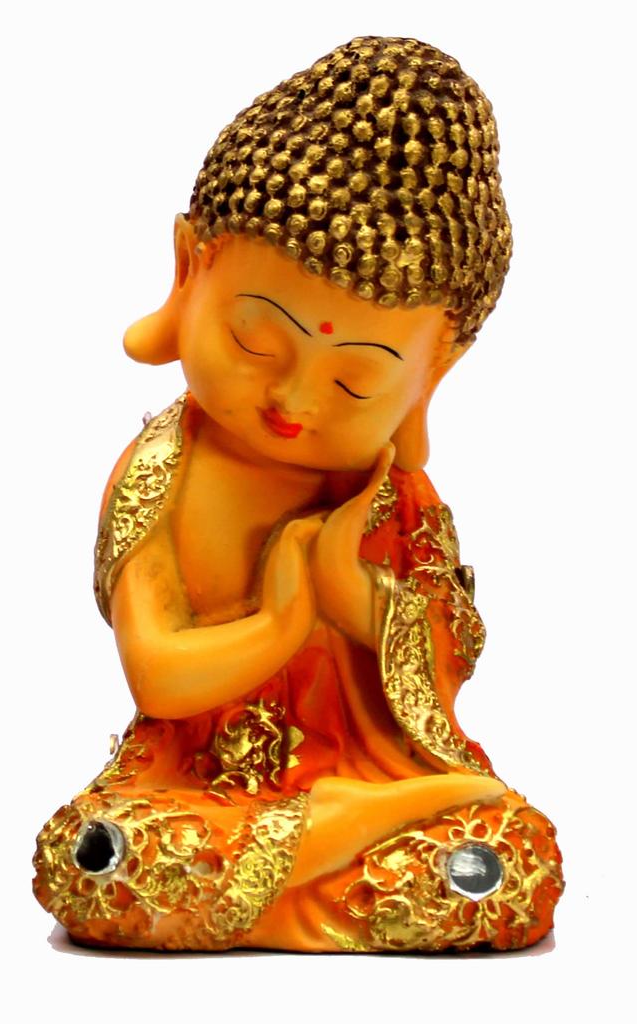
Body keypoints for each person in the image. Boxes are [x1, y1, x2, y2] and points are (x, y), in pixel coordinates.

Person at [33, 36, 563, 952]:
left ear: (433, 372)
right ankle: (335, 843)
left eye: (356, 381)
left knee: (501, 866)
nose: (293, 399)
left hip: (368, 769)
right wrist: (282, 619)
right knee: (97, 858)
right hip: (189, 782)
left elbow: (444, 663)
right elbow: (158, 677)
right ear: (189, 270)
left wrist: (351, 592)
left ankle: (321, 846)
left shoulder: (391, 496)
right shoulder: (162, 470)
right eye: (255, 341)